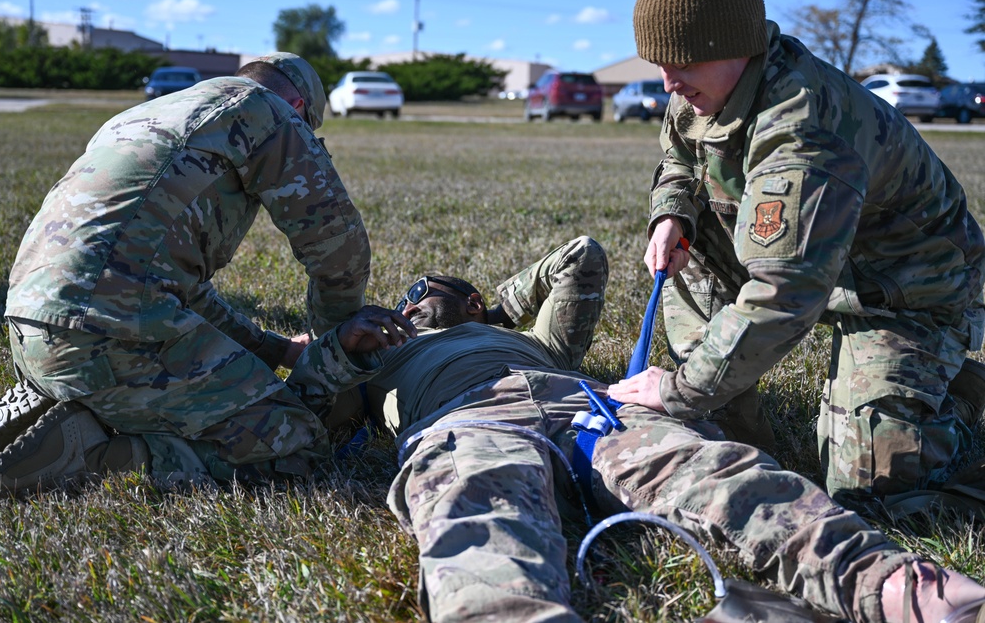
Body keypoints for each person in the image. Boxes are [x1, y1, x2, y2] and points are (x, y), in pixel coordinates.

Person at [241, 236, 985, 621]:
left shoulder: (539, 338)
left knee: (723, 477)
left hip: (586, 406)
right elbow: (305, 424)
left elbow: (580, 259)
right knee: (478, 523)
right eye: (406, 299)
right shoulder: (378, 367)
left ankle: (901, 591)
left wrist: (492, 309)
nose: (412, 301)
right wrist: (341, 352)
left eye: (430, 294)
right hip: (465, 425)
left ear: (472, 305)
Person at [608, 0, 985, 511]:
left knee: (873, 494)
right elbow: (680, 161)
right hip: (820, 264)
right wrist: (672, 216)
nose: (667, 82)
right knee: (692, 242)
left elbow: (784, 295)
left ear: (737, 42)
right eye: (659, 63)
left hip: (903, 289)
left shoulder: (802, 128)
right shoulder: (699, 89)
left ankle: (954, 394)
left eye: (681, 62)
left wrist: (677, 391)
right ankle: (725, 411)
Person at [0, 52, 371, 487]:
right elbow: (338, 248)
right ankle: (93, 455)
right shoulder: (270, 113)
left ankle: (65, 398)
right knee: (295, 440)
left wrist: (276, 350)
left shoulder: (140, 116)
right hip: (112, 333)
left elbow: (180, 292)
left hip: (29, 325)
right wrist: (336, 345)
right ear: (300, 110)